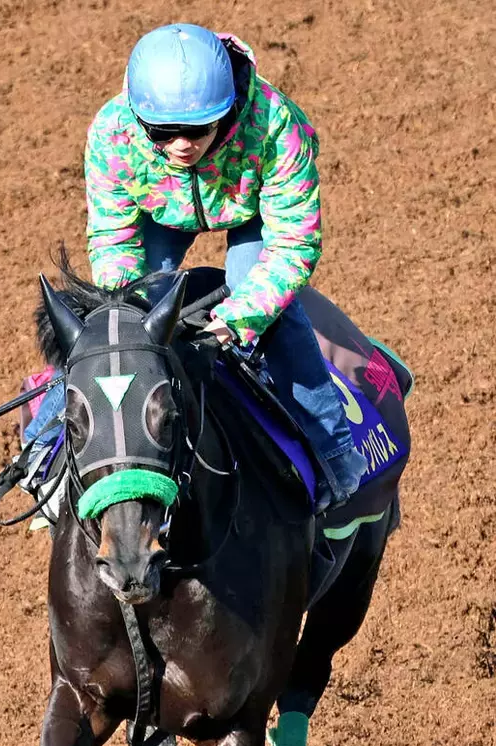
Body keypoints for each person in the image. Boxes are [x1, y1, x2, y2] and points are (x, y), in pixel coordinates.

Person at [82, 23, 366, 511]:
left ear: (230, 109)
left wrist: (242, 317)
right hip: (160, 212)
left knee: (263, 304)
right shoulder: (111, 132)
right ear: (137, 116)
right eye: (162, 132)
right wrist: (125, 309)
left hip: (250, 209)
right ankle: (47, 444)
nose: (181, 145)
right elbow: (113, 237)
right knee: (121, 316)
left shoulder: (276, 124)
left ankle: (334, 450)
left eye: (198, 130)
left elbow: (293, 243)